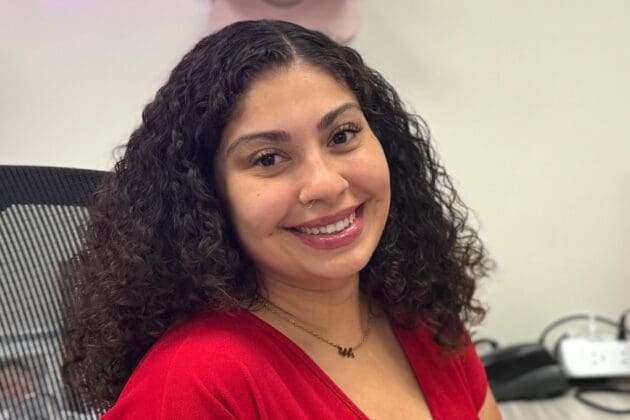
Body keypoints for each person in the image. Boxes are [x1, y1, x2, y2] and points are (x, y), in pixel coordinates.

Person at [62, 19, 501, 419]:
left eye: (343, 135)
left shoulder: (423, 318)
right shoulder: (191, 386)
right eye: (268, 158)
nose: (326, 184)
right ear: (207, 195)